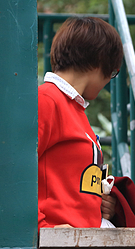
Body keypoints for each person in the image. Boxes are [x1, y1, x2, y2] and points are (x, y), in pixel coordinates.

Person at [38, 16, 122, 229]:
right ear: (101, 62)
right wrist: (42, 228)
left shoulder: (74, 107)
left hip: (79, 238)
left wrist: (99, 204)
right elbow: (8, 171)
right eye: (113, 72)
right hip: (57, 243)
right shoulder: (47, 100)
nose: (108, 80)